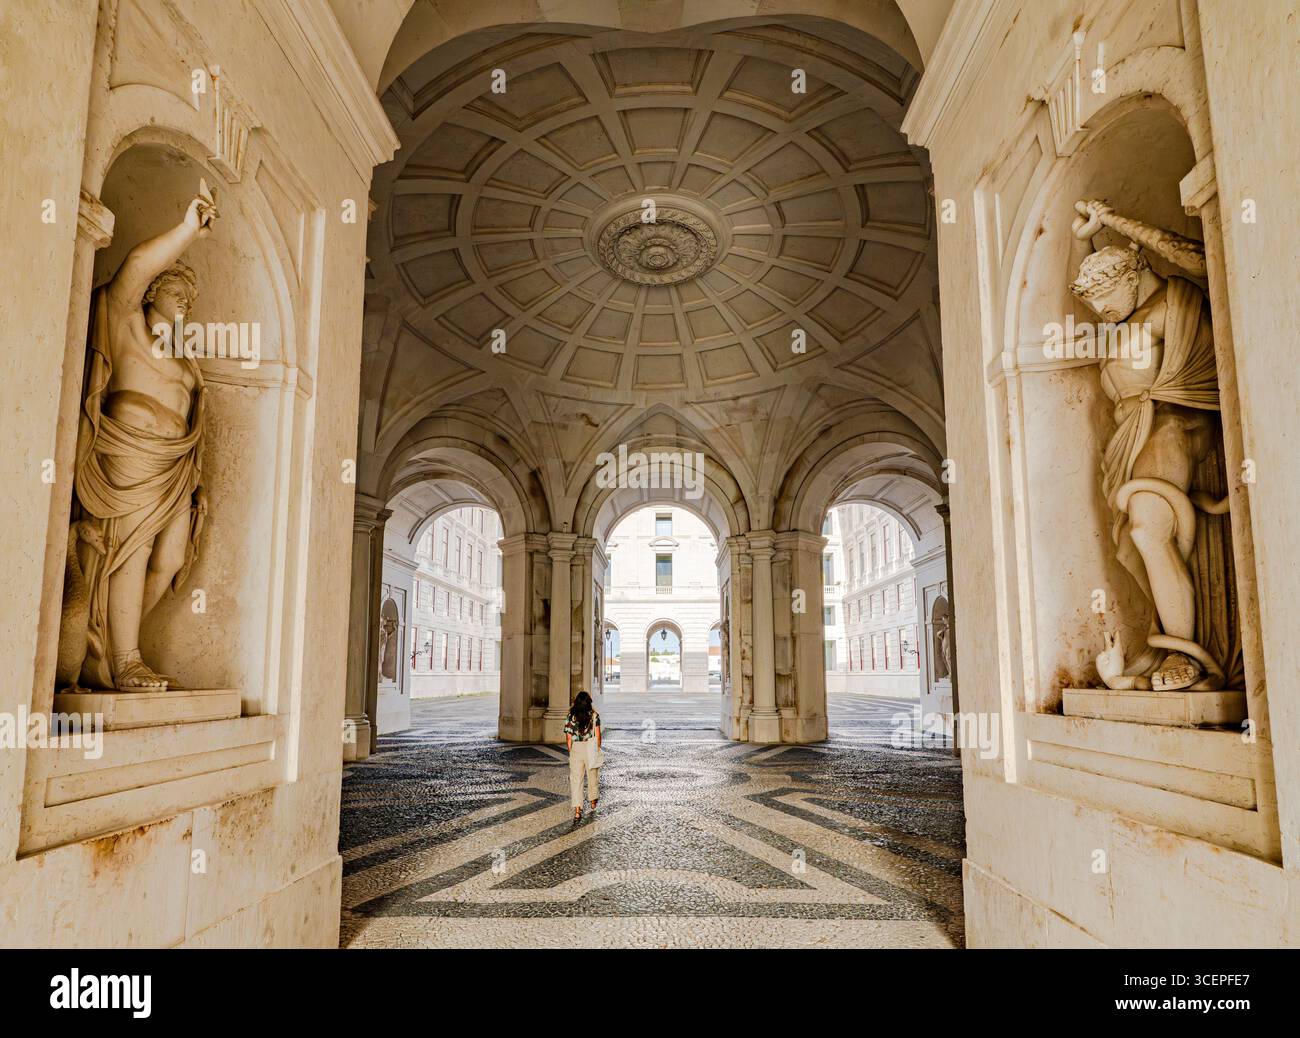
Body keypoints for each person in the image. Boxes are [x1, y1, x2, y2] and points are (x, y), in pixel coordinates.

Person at [564, 691, 602, 821]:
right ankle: (592, 801)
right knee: (592, 777)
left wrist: (571, 751)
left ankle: (577, 810)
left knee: (576, 781)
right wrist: (597, 749)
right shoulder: (594, 716)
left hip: (576, 748)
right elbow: (598, 736)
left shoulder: (570, 717)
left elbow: (568, 737)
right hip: (590, 747)